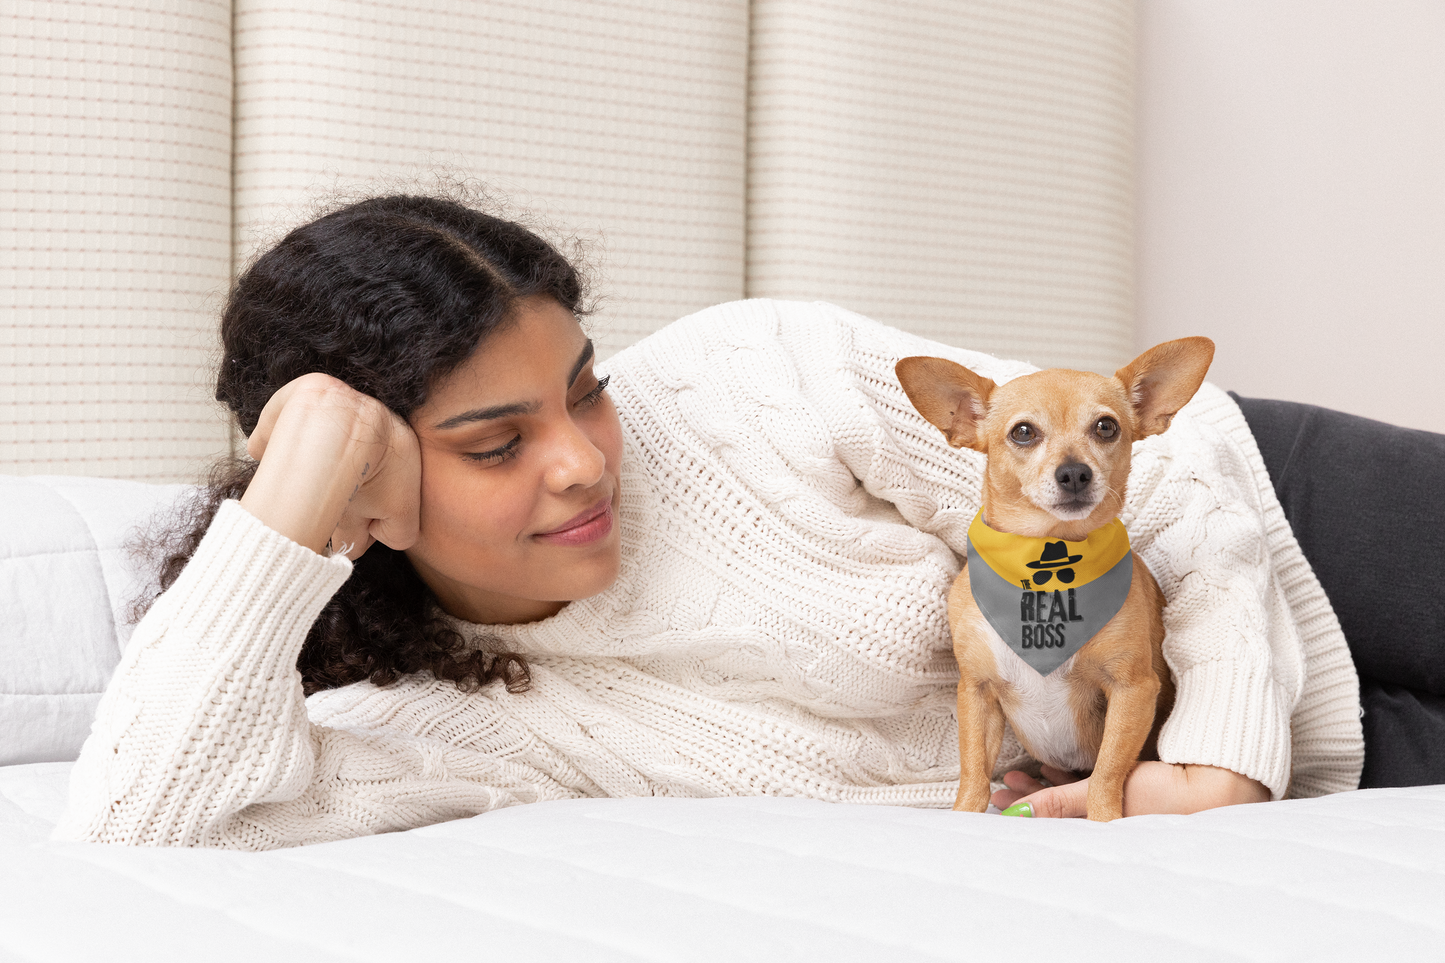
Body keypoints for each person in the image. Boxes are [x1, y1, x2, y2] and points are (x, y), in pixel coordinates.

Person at [55, 194, 1367, 849]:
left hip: (1274, 519)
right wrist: (296, 494)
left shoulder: (754, 378)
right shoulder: (440, 713)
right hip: (1238, 769)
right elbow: (135, 816)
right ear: (367, 491)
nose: (579, 461)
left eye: (585, 391)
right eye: (499, 443)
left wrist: (1228, 757)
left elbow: (1153, 483)